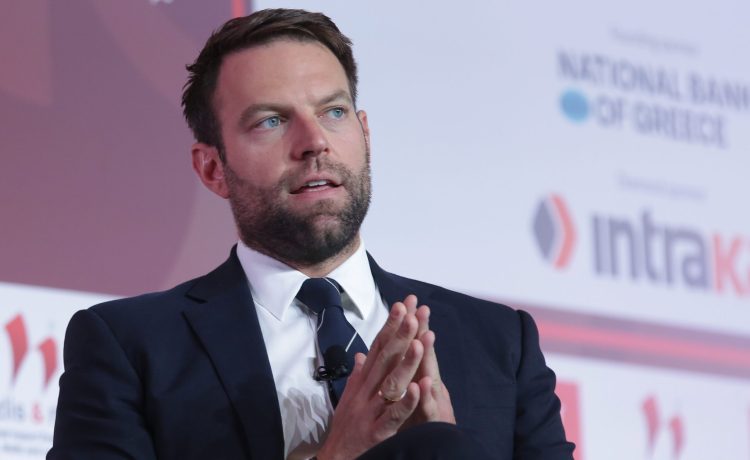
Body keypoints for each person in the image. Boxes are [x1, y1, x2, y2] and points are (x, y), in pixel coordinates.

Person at [48, 8, 574, 460]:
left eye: (334, 111)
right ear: (212, 168)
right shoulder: (128, 347)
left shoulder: (499, 343)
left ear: (365, 134)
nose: (314, 141)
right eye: (271, 121)